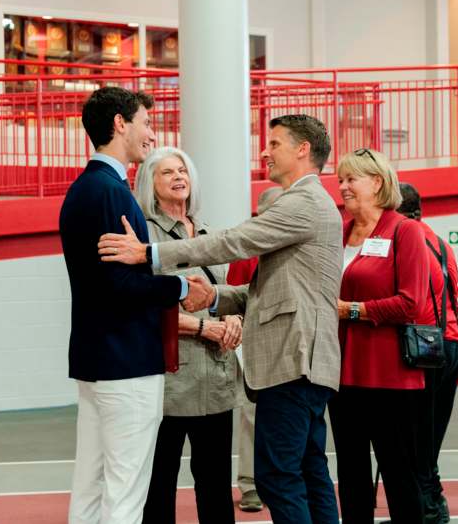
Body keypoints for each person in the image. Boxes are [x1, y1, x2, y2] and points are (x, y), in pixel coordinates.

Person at [99, 114, 343, 524]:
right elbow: (267, 292)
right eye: (167, 171)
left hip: (293, 360)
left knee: (279, 476)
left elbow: (235, 241)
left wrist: (148, 254)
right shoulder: (308, 204)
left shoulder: (302, 202)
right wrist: (214, 298)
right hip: (291, 364)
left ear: (303, 150)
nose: (265, 151)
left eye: (275, 143)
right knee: (308, 470)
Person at [59, 87, 213, 524]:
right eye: (146, 121)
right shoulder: (112, 192)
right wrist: (181, 287)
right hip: (126, 361)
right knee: (125, 493)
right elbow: (121, 283)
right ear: (120, 124)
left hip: (96, 360)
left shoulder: (83, 189)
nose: (151, 133)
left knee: (90, 487)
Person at [138, 146, 244, 524]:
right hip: (170, 381)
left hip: (216, 379)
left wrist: (234, 321)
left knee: (215, 484)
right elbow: (146, 306)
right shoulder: (146, 236)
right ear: (150, 183)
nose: (178, 176)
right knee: (159, 485)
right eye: (166, 172)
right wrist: (204, 326)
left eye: (182, 169)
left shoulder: (210, 234)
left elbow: (226, 295)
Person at [328, 148, 429, 523]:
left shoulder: (405, 231)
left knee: (399, 473)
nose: (343, 187)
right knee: (351, 474)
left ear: (378, 182)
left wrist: (351, 310)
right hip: (341, 373)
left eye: (351, 179)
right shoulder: (337, 233)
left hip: (391, 376)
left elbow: (410, 303)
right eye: (341, 180)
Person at [397, 182, 458, 524]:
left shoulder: (406, 239)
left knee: (416, 436)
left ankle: (428, 508)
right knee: (430, 434)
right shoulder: (438, 241)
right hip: (449, 342)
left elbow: (411, 299)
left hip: (422, 347)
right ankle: (430, 503)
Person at [225, 185, 283, 514]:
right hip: (251, 341)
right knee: (251, 414)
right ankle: (249, 484)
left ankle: (275, 478)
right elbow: (234, 295)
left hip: (285, 340)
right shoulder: (247, 247)